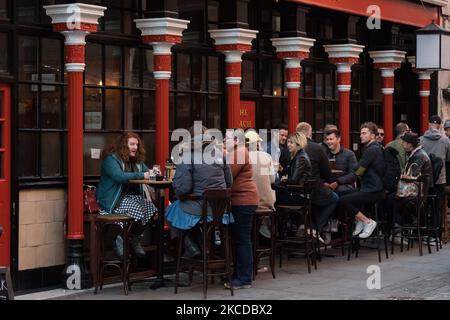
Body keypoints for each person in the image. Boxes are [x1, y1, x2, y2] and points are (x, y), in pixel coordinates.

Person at [165, 126, 233, 258]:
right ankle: (205, 249)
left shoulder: (187, 156)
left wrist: (179, 194)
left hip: (200, 208)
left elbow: (182, 188)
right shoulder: (220, 154)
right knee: (190, 216)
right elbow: (229, 182)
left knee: (169, 212)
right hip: (222, 210)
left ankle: (192, 247)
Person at [96, 132, 157, 258]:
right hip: (112, 200)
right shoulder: (111, 159)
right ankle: (118, 238)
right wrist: (143, 175)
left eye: (137, 144)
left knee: (152, 209)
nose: (135, 147)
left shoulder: (137, 162)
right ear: (124, 145)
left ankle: (134, 238)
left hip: (128, 197)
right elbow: (119, 177)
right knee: (138, 210)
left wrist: (153, 172)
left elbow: (146, 172)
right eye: (132, 144)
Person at [224, 129, 259, 290]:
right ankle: (240, 275)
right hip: (242, 200)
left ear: (236, 141)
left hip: (243, 200)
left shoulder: (239, 152)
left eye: (227, 138)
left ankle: (244, 278)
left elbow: (228, 175)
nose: (224, 140)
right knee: (240, 238)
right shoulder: (237, 152)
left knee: (242, 239)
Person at [339, 122, 386, 239]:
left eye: (364, 133)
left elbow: (358, 171)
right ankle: (359, 220)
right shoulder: (373, 148)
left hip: (373, 190)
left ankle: (367, 222)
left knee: (343, 200)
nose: (361, 135)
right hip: (371, 188)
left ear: (373, 135)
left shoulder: (372, 150)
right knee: (342, 194)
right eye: (361, 133)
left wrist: (338, 181)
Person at [296, 122, 339, 243]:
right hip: (313, 190)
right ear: (309, 133)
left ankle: (303, 224)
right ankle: (315, 228)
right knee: (334, 198)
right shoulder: (316, 148)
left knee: (303, 204)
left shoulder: (290, 146)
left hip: (293, 193)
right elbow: (326, 174)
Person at [419, 115, 450, 228]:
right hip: (440, 178)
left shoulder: (421, 140)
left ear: (429, 124)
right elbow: (448, 160)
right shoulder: (445, 140)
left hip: (425, 178)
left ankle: (423, 232)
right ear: (440, 125)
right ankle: (435, 234)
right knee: (437, 206)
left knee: (424, 204)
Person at [396, 132, 432, 225]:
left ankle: (403, 226)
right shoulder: (416, 154)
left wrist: (400, 176)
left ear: (409, 144)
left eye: (403, 142)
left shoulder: (419, 156)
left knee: (393, 200)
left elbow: (413, 176)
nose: (402, 144)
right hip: (417, 191)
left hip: (418, 193)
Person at [245, 130, 276, 239]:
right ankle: (262, 225)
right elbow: (272, 180)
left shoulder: (242, 157)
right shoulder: (266, 156)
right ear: (258, 143)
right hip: (266, 204)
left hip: (248, 203)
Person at [323, 128, 358, 195]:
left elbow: (353, 174)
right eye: (327, 139)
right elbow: (319, 172)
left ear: (338, 139)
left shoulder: (349, 154)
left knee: (341, 191)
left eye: (331, 139)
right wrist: (323, 183)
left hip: (344, 185)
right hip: (327, 185)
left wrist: (338, 182)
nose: (329, 142)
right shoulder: (324, 154)